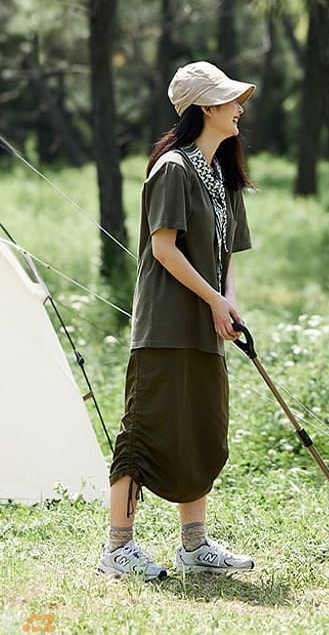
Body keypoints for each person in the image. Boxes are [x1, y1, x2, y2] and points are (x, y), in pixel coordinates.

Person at [96, 61, 257, 580]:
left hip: (207, 327)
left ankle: (194, 546)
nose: (240, 108)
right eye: (231, 100)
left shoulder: (224, 175)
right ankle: (117, 548)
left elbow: (226, 255)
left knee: (203, 430)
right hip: (165, 327)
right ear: (206, 108)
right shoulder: (173, 169)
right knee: (143, 432)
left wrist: (228, 302)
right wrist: (213, 301)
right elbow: (164, 249)